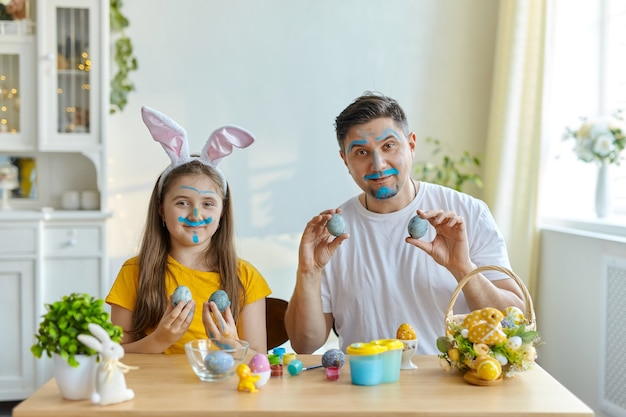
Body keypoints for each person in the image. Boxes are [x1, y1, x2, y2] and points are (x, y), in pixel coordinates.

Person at [284, 92, 525, 354]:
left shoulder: (468, 213)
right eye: (362, 152)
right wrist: (308, 271)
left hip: (451, 383)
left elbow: (513, 321)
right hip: (363, 384)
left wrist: (462, 268)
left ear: (411, 145)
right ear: (345, 160)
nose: (378, 164)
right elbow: (304, 344)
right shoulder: (330, 236)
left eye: (389, 146)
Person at [106, 106, 271, 354]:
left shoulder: (245, 278)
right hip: (157, 392)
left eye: (207, 204)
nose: (196, 214)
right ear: (161, 210)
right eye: (182, 203)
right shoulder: (134, 273)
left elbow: (259, 361)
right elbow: (115, 355)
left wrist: (232, 346)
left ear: (222, 212)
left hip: (223, 391)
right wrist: (160, 340)